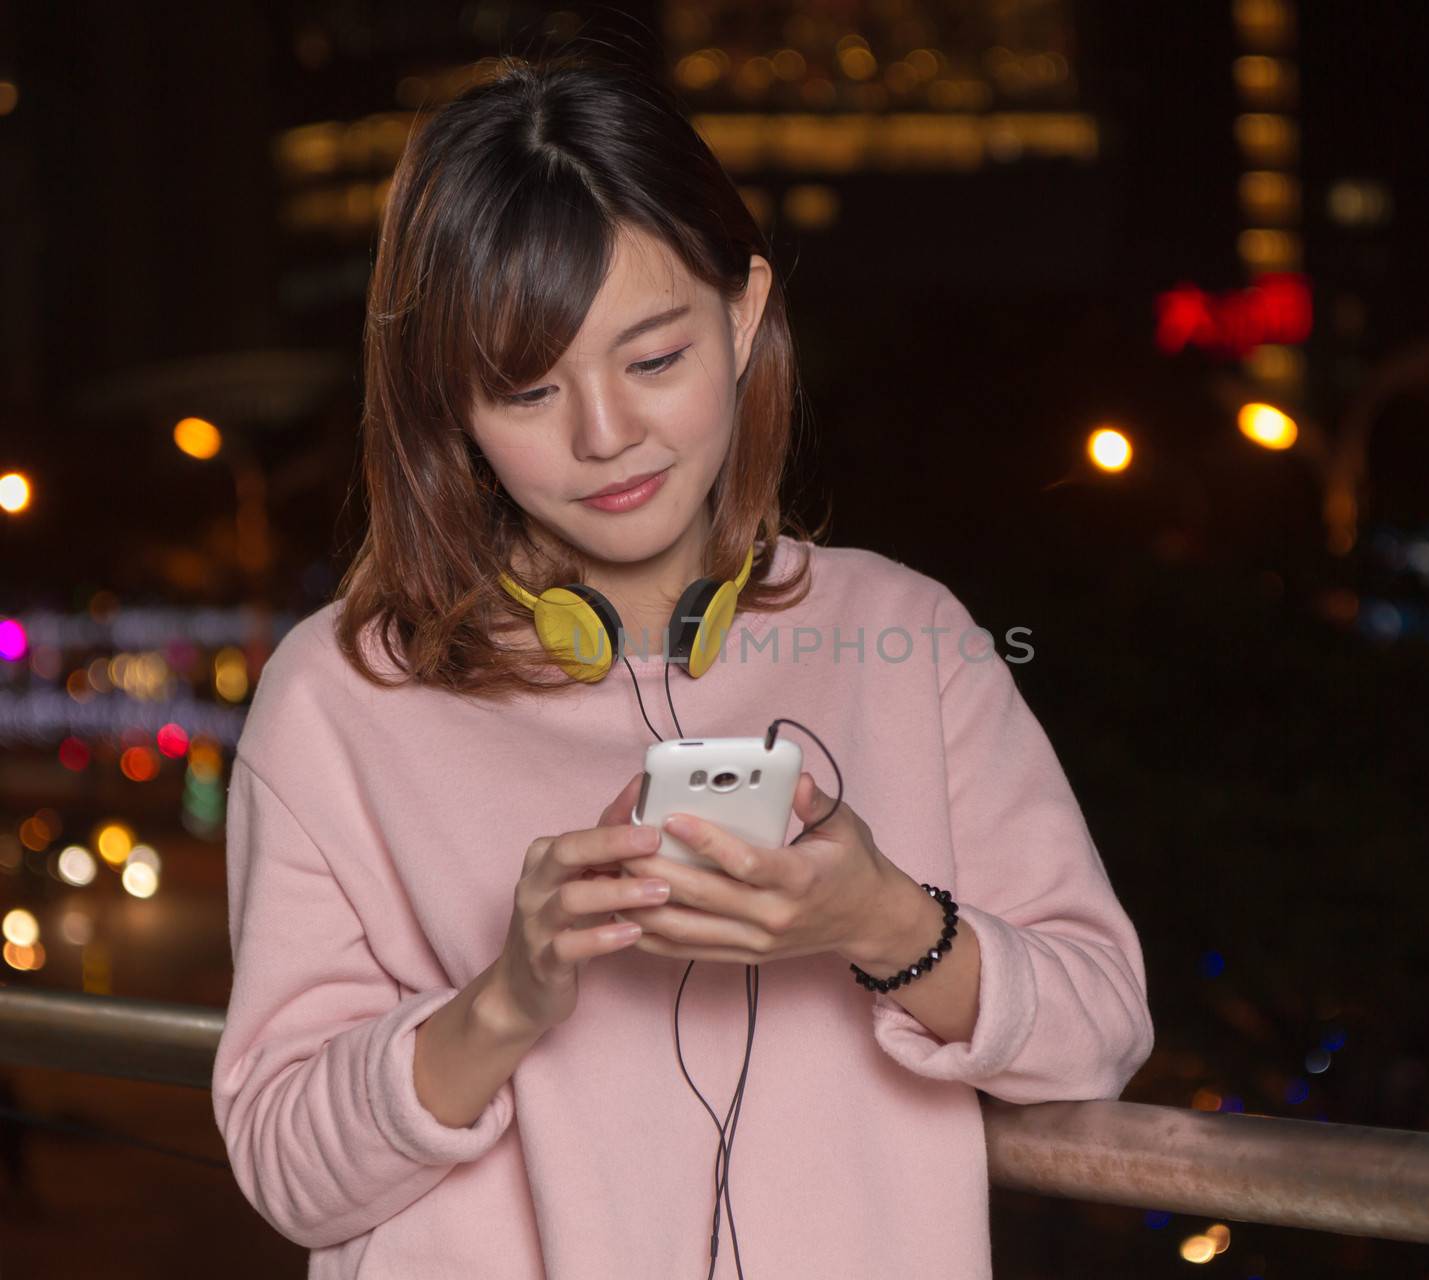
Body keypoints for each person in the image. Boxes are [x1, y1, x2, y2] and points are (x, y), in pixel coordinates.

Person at [210, 45, 1154, 1280]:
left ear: (745, 309)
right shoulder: (338, 696)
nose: (608, 436)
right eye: (528, 391)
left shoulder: (907, 635)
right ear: (449, 407)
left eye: (654, 359)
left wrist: (880, 918)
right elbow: (288, 1169)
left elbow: (1098, 1032)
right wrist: (508, 995)